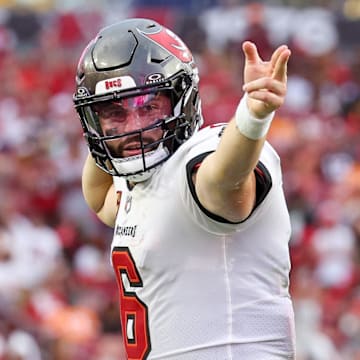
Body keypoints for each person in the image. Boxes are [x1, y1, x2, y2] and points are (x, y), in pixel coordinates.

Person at [73, 18, 294, 360]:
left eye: (148, 107)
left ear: (182, 101)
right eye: (114, 113)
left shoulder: (201, 160)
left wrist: (253, 115)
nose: (133, 126)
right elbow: (99, 198)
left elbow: (224, 182)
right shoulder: (140, 184)